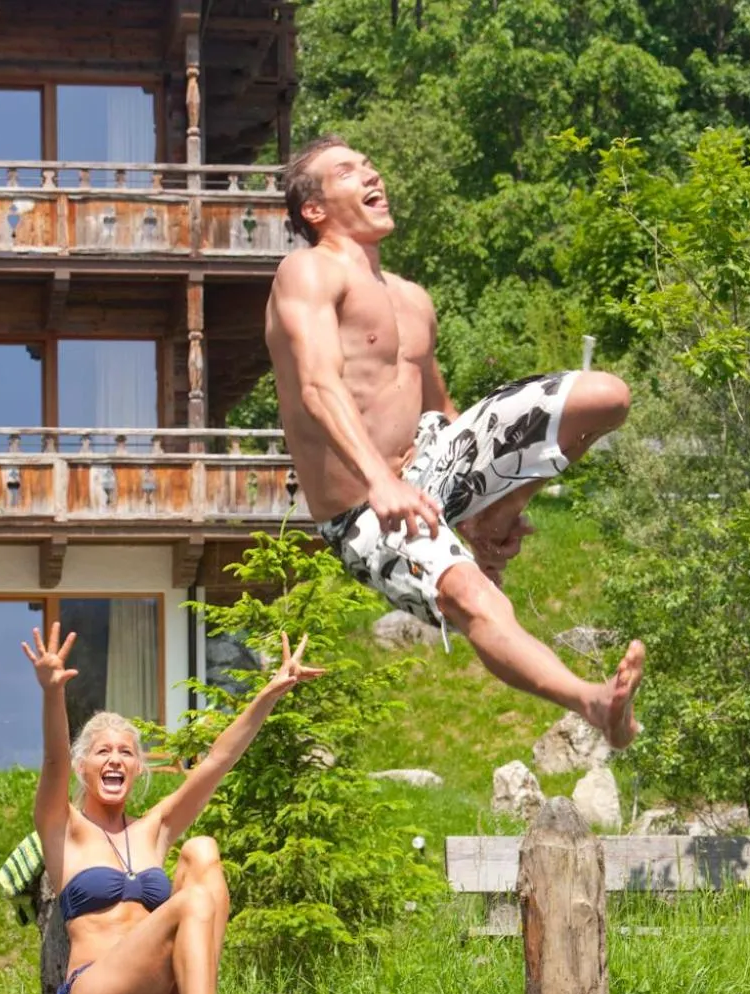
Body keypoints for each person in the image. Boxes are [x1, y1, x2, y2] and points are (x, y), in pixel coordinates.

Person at [266, 135, 644, 749]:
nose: (371, 172)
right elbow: (316, 385)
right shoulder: (306, 273)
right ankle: (593, 701)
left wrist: (500, 492)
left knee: (605, 397)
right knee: (472, 597)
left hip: (434, 456)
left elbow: (441, 409)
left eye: (370, 162)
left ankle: (496, 521)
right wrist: (380, 479)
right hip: (363, 509)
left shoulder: (413, 299)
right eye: (347, 170)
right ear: (314, 208)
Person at [22, 622, 322, 994]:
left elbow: (219, 761)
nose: (115, 759)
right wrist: (54, 694)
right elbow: (52, 758)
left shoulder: (154, 830)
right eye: (102, 751)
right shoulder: (63, 830)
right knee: (190, 903)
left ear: (138, 769)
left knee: (202, 851)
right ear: (83, 769)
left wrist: (269, 694)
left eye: (125, 753)